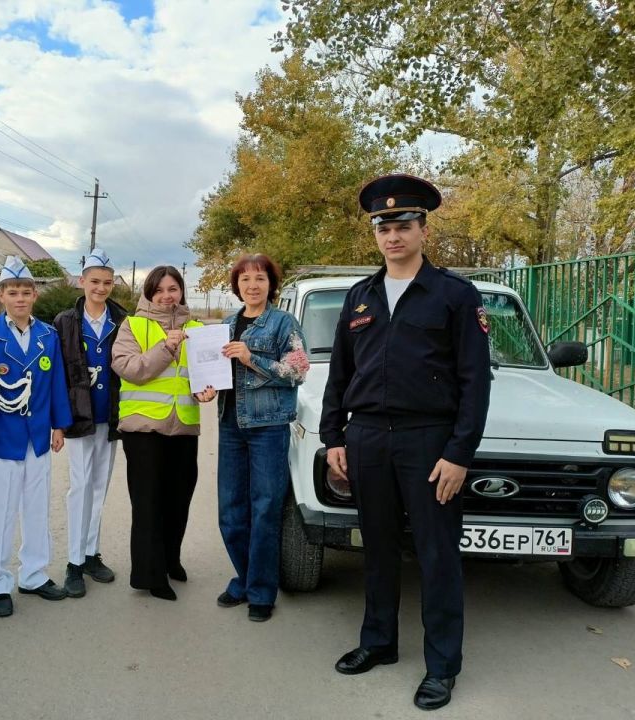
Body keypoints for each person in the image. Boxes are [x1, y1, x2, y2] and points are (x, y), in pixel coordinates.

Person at [320, 174, 491, 711]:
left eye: (402, 225)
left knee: (438, 555)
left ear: (422, 229)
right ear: (375, 233)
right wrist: (333, 437)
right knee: (378, 550)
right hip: (367, 438)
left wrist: (459, 453)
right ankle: (379, 643)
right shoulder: (361, 295)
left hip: (428, 442)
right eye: (383, 227)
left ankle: (442, 666)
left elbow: (475, 381)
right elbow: (339, 374)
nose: (392, 235)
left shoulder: (454, 296)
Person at [0, 256, 73, 618]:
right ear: (0, 296)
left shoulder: (47, 335)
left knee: (37, 508)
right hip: (2, 439)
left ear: (34, 295)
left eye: (25, 292)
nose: (19, 298)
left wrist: (60, 424)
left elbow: (57, 382)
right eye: (12, 292)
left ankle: (33, 573)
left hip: (37, 437)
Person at [111, 265, 216, 601]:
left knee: (179, 500)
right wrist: (166, 347)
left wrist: (208, 390)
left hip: (184, 426)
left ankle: (171, 559)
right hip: (143, 429)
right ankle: (149, 575)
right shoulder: (134, 325)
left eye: (173, 289)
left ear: (182, 291)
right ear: (149, 293)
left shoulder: (198, 329)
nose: (167, 296)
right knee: (148, 503)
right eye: (160, 290)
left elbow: (203, 377)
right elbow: (128, 369)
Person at [216, 253, 309, 622]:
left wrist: (252, 358)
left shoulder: (284, 322)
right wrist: (206, 389)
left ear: (271, 284)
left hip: (268, 427)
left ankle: (260, 592)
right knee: (231, 511)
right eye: (245, 279)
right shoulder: (225, 324)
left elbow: (298, 371)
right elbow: (217, 373)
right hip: (229, 425)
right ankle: (245, 576)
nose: (252, 285)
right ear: (236, 285)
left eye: (259, 278)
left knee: (265, 509)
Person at [53, 248, 128, 598]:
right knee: (79, 487)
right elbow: (54, 373)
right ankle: (73, 563)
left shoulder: (122, 320)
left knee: (99, 486)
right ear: (82, 281)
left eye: (107, 282)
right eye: (94, 281)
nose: (100, 288)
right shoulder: (66, 321)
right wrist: (57, 418)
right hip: (79, 417)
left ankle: (90, 553)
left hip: (108, 418)